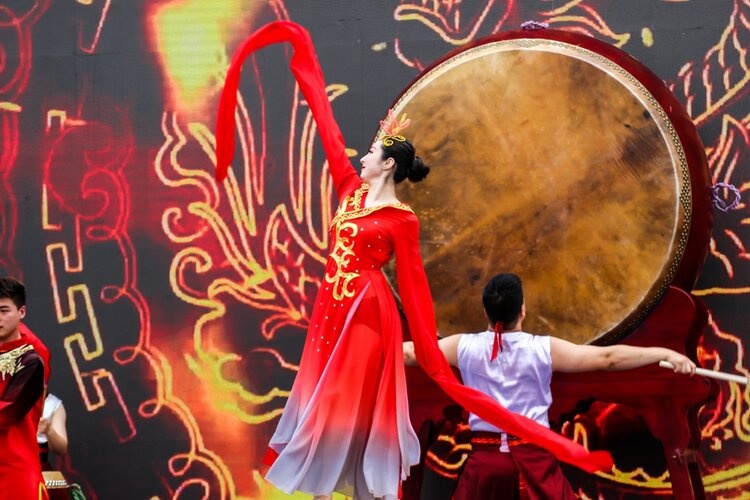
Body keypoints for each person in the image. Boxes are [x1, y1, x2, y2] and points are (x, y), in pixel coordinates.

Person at [215, 21, 612, 500]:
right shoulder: (349, 190)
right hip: (331, 310)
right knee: (320, 401)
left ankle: (359, 490)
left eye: (371, 153)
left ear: (388, 165)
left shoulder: (402, 220)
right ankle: (327, 491)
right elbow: (327, 129)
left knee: (343, 405)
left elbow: (414, 284)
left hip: (366, 312)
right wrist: (303, 61)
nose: (362, 157)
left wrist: (429, 349)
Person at [404, 273, 696, 499]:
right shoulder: (541, 349)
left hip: (485, 467)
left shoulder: (463, 347)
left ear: (486, 312)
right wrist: (664, 354)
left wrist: (375, 344)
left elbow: (408, 353)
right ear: (523, 309)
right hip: (535, 467)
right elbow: (607, 358)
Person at [0, 277, 51, 500]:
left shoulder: (31, 361)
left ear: (22, 312)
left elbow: (6, 414)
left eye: (4, 311)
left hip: (15, 473)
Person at [38, 393, 68, 470]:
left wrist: (49, 430)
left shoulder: (54, 405)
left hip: (40, 470)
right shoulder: (11, 399)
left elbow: (62, 449)